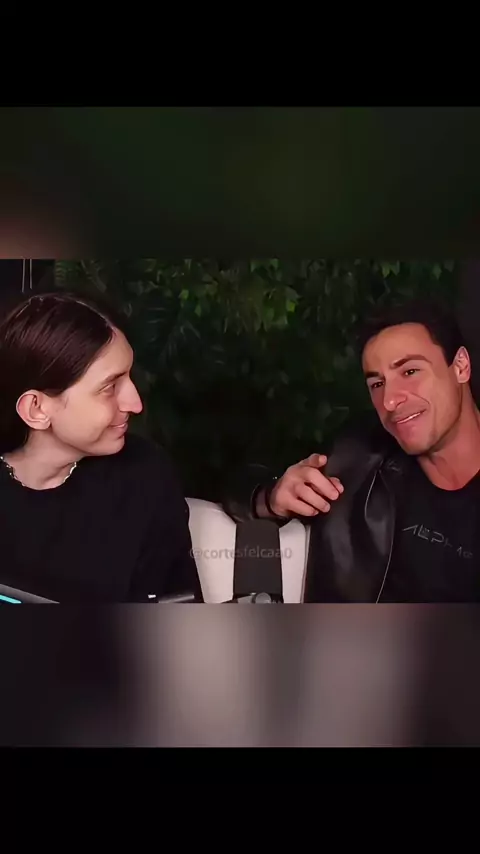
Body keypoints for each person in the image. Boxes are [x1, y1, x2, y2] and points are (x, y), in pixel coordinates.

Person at [223, 299, 480, 602]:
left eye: (410, 372)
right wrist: (272, 499)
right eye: (377, 384)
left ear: (460, 366)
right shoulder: (358, 460)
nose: (390, 401)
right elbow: (235, 486)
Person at [0, 290, 203, 603]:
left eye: (129, 377)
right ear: (37, 409)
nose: (135, 403)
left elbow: (177, 612)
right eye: (110, 387)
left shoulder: (144, 475)